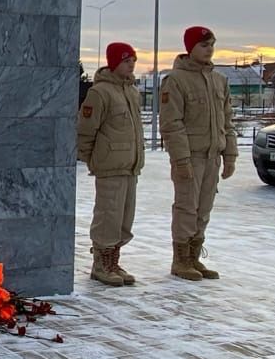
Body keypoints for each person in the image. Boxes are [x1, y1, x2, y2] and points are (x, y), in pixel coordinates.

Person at [158, 26, 237, 280]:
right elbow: (172, 124)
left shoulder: (219, 80)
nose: (209, 49)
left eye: (212, 44)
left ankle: (193, 257)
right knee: (186, 208)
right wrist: (181, 159)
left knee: (204, 209)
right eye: (204, 45)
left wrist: (230, 155)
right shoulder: (176, 80)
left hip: (212, 155)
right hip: (190, 156)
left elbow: (227, 120)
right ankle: (180, 260)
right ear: (190, 48)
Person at [77, 41, 144, 285]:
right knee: (109, 215)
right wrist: (89, 156)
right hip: (109, 165)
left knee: (125, 217)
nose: (131, 66)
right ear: (114, 63)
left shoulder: (132, 92)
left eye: (133, 61)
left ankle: (114, 260)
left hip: (130, 165)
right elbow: (86, 129)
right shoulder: (100, 92)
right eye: (127, 61)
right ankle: (101, 263)